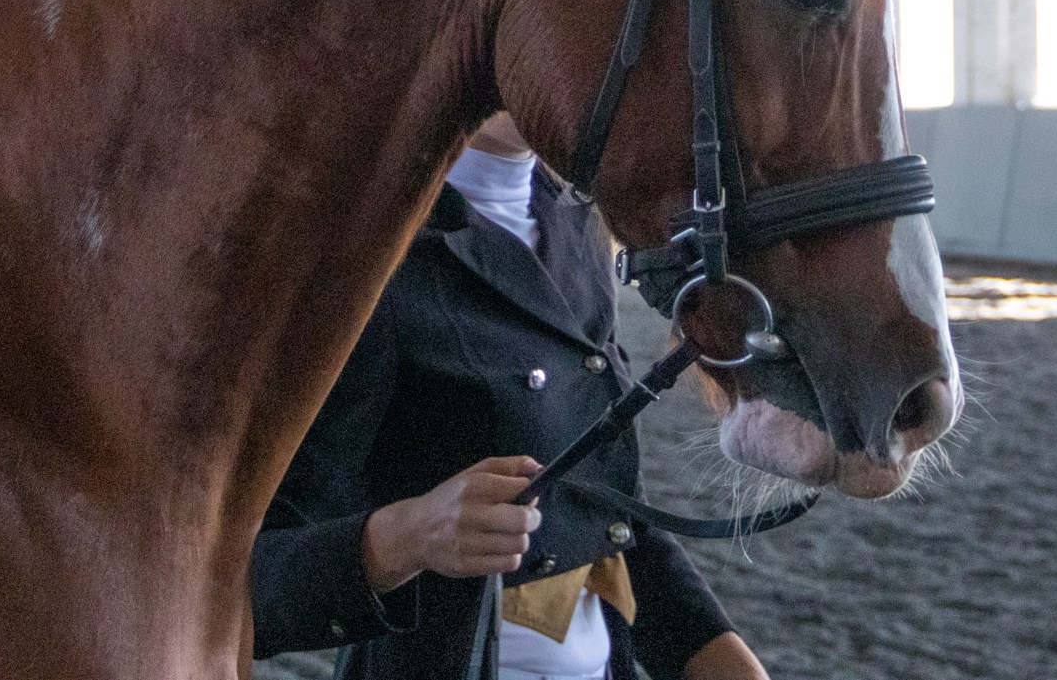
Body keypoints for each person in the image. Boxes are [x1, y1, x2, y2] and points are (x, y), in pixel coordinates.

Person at [250, 112, 772, 680]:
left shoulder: (578, 225)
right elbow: (250, 581)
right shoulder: (364, 247)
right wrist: (406, 536)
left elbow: (606, 514)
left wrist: (718, 654)